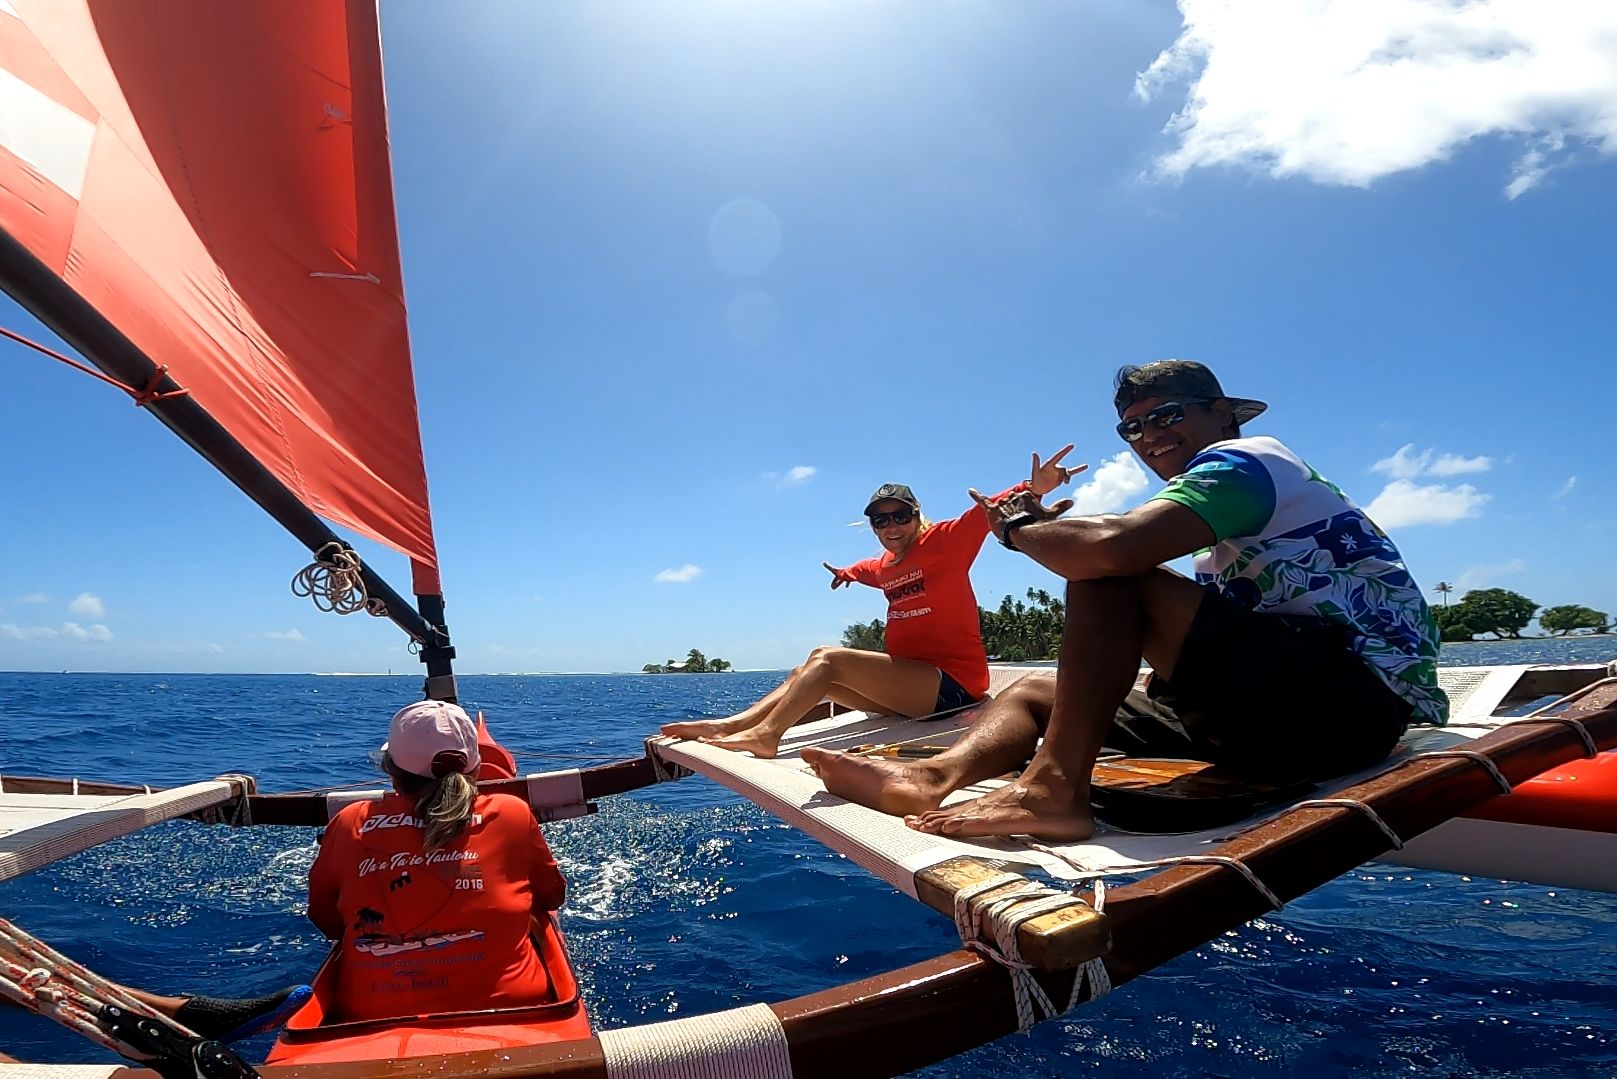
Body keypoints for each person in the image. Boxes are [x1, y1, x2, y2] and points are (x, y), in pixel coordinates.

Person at [805, 360, 1448, 840]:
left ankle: (1054, 792)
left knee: (1112, 573)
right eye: (1132, 426)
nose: (1147, 435)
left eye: (1168, 415)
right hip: (1274, 711)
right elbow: (1102, 542)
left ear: (1222, 413)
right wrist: (1029, 528)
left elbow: (1110, 551)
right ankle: (930, 779)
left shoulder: (1247, 461)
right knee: (1029, 695)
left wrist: (1017, 527)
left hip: (1355, 706)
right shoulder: (1213, 512)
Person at [659, 447, 1086, 759]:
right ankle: (735, 724)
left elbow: (988, 511)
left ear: (917, 515)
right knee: (804, 670)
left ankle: (767, 735)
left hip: (954, 687)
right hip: (913, 690)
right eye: (881, 520)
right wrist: (844, 573)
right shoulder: (883, 565)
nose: (891, 525)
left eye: (900, 516)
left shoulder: (945, 543)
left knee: (828, 658)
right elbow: (865, 569)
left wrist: (1033, 486)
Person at [306, 700, 566, 1022]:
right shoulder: (511, 812)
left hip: (372, 1013)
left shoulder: (349, 823)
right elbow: (552, 896)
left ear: (392, 771)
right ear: (474, 767)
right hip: (514, 1006)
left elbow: (325, 919)